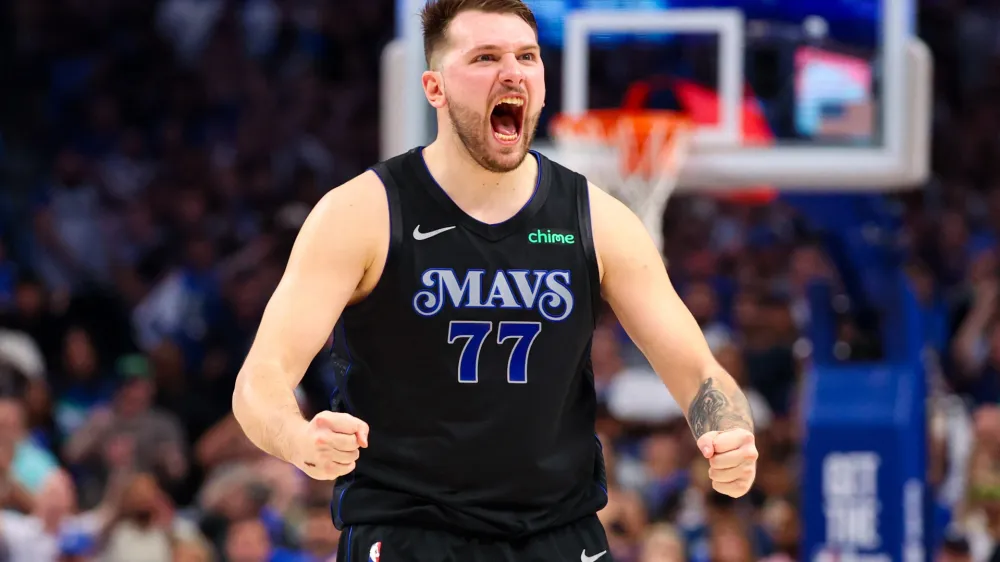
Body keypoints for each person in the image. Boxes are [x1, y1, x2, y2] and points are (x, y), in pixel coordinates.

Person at [232, 0, 758, 560]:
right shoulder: (362, 213)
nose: (512, 72)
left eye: (526, 56)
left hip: (560, 534)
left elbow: (702, 374)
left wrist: (730, 433)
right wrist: (298, 440)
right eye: (485, 57)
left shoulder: (597, 219)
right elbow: (259, 382)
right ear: (434, 87)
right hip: (413, 532)